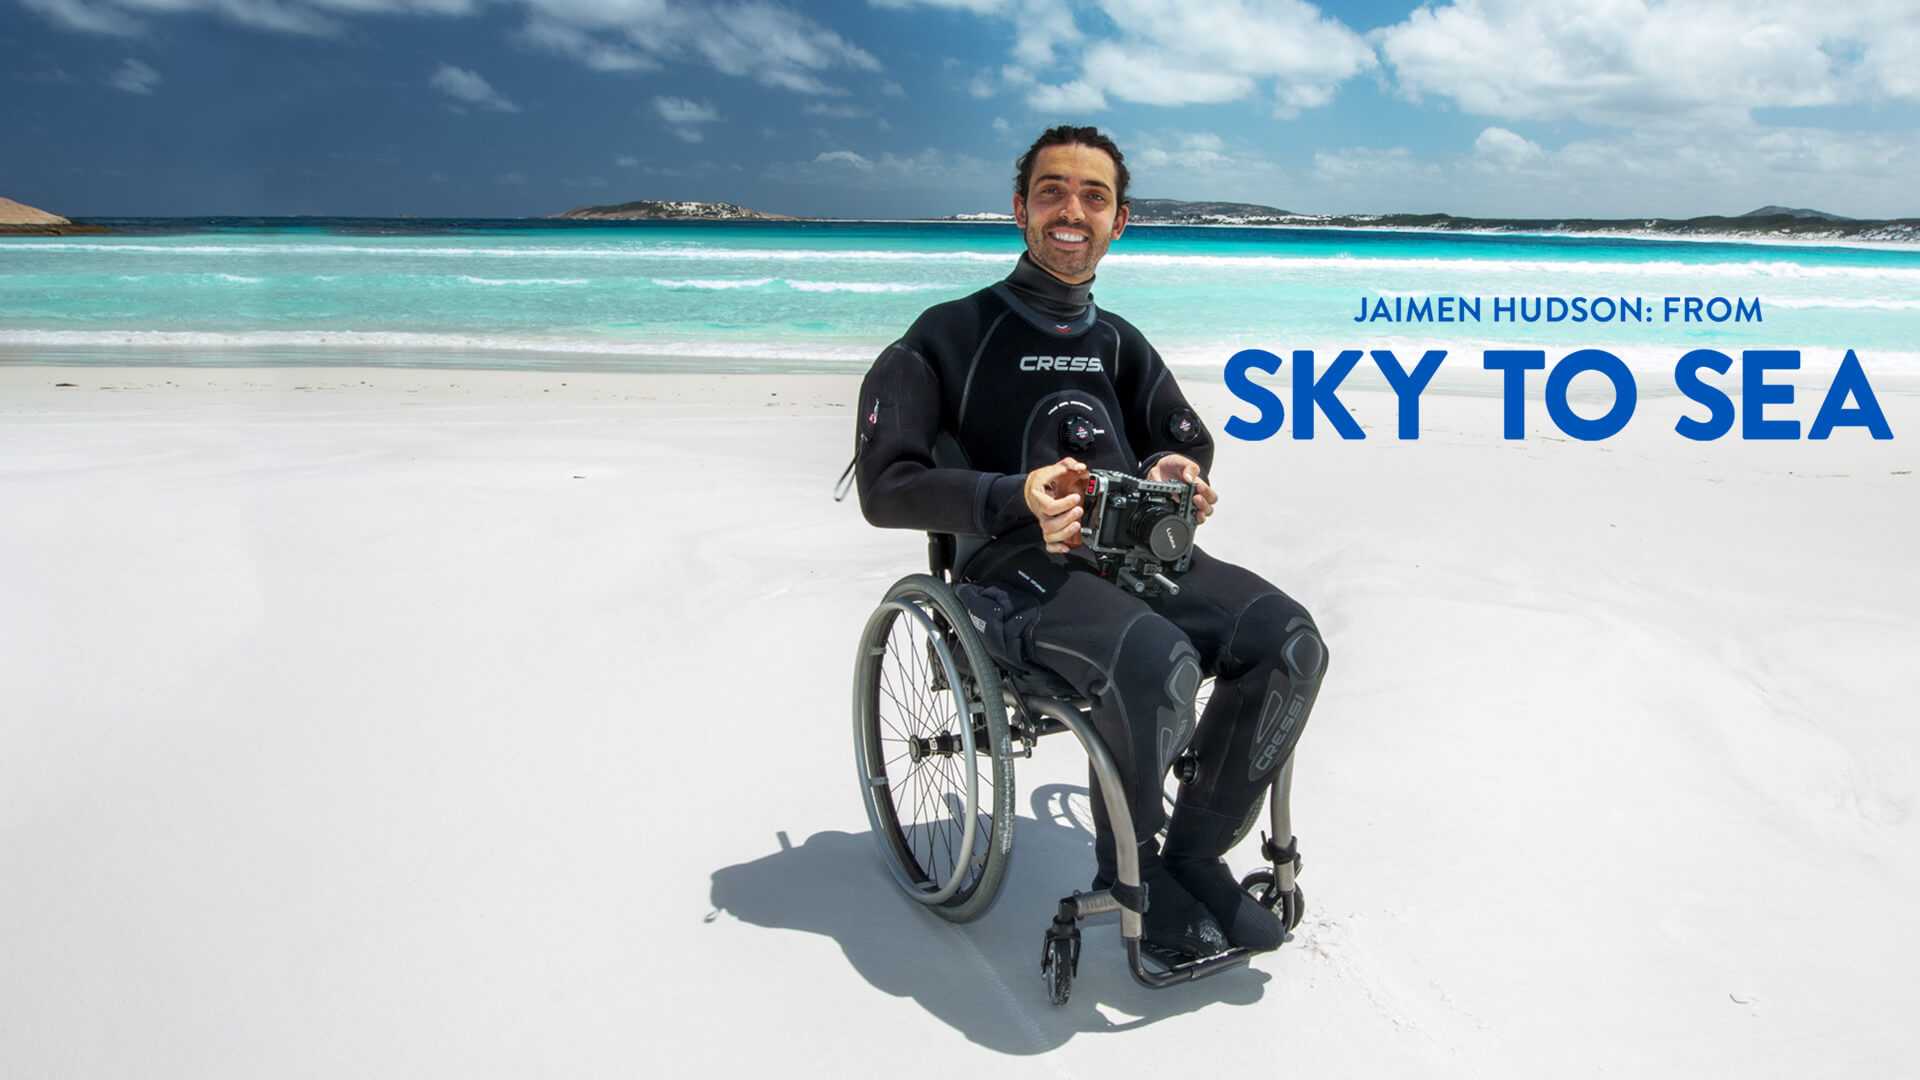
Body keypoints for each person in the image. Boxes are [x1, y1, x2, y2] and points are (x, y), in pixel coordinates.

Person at [850, 125, 1328, 961]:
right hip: (1014, 572)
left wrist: (1176, 467)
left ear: (1120, 221)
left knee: (1289, 642)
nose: (1072, 211)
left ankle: (1191, 857)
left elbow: (1180, 441)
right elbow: (887, 488)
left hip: (1141, 558)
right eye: (1052, 191)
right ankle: (1137, 875)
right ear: (1019, 210)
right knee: (1156, 660)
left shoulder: (1120, 343)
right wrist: (1010, 495)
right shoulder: (947, 336)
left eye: (1093, 196)